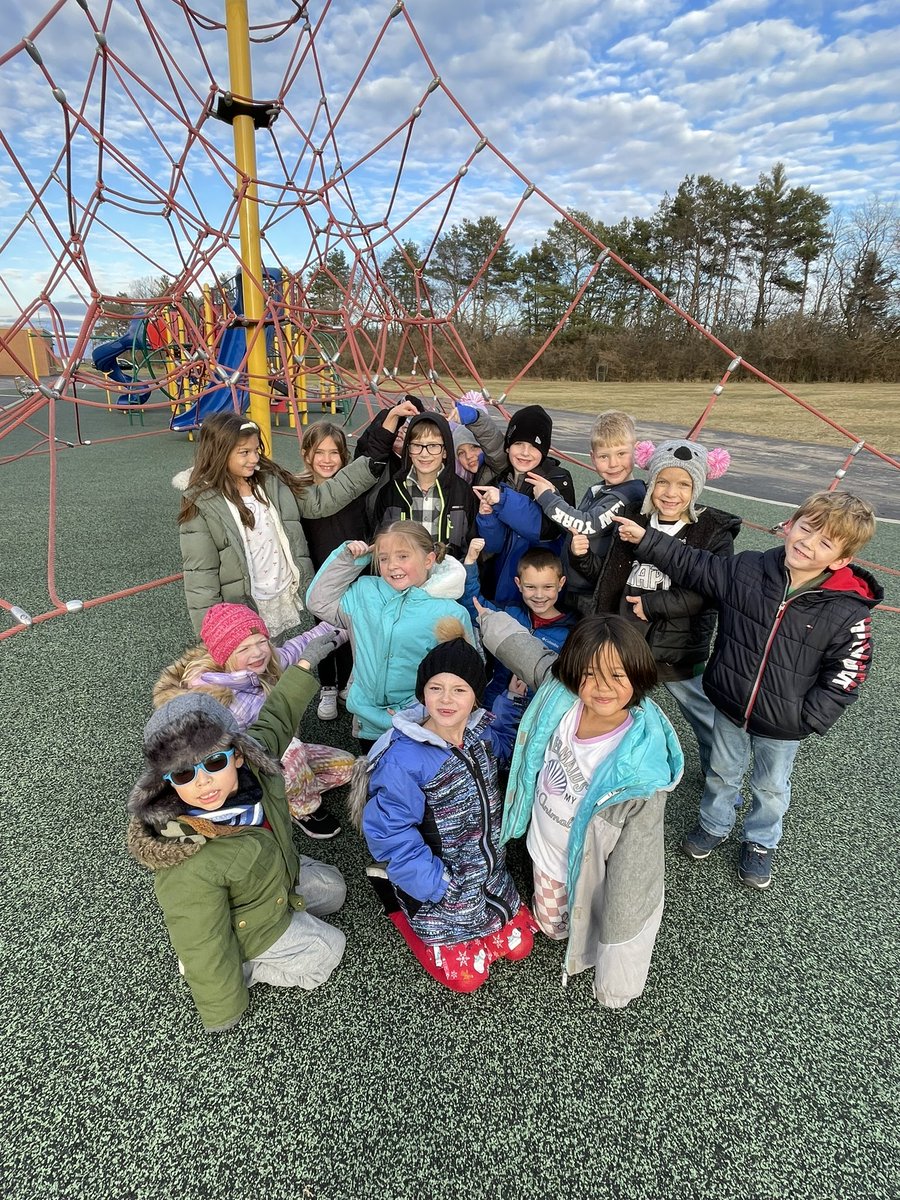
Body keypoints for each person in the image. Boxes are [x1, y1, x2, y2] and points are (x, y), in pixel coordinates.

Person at [612, 490, 881, 889]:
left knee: (771, 786)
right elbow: (695, 564)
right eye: (805, 529)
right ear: (791, 525)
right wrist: (648, 539)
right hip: (731, 701)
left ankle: (760, 841)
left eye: (824, 542)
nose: (807, 544)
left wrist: (809, 717)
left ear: (841, 560)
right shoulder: (750, 569)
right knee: (722, 770)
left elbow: (850, 670)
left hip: (784, 721)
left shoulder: (847, 608)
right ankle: (713, 823)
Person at [126, 629, 346, 1033]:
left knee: (335, 888)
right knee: (328, 952)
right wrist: (223, 1010)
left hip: (274, 881)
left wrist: (302, 666)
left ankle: (279, 923)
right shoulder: (185, 857)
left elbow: (277, 716)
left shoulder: (255, 766)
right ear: (167, 782)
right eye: (183, 774)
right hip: (249, 925)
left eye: (213, 763)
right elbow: (200, 938)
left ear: (239, 755)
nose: (203, 782)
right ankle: (249, 966)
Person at [475, 605, 683, 1008]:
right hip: (545, 845)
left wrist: (617, 983)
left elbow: (634, 877)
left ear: (639, 676)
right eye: (590, 674)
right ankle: (557, 922)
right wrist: (487, 618)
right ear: (573, 673)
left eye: (617, 676)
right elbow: (527, 653)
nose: (601, 688)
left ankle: (575, 931)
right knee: (553, 924)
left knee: (587, 907)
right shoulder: (561, 697)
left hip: (589, 859)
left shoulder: (640, 774)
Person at [355, 620, 536, 993]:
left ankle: (480, 919)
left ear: (476, 697)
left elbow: (501, 747)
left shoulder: (478, 730)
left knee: (522, 947)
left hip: (489, 872)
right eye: (435, 688)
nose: (447, 699)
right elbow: (391, 835)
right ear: (422, 693)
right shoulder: (403, 759)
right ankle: (397, 904)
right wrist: (438, 885)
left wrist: (512, 701)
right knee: (467, 981)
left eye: (459, 689)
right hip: (442, 884)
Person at [572, 438, 740, 776]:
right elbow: (609, 579)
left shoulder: (711, 533)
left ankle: (719, 777)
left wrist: (655, 605)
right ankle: (611, 766)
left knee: (703, 716)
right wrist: (583, 557)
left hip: (676, 650)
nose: (670, 492)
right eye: (662, 481)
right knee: (617, 706)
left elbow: (708, 592)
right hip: (627, 644)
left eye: (683, 484)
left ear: (697, 488)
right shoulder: (634, 518)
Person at [153, 602, 354, 838]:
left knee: (348, 767)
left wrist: (352, 624)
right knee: (293, 750)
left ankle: (285, 791)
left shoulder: (264, 664)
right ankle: (302, 809)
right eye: (244, 648)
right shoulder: (216, 701)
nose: (258, 652)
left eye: (261, 642)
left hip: (281, 750)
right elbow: (220, 760)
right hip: (249, 766)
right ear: (224, 655)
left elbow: (301, 644)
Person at [176, 411, 385, 637]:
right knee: (254, 665)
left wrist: (369, 467)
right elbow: (200, 574)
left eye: (256, 450)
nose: (254, 458)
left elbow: (319, 501)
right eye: (244, 452)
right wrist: (212, 631)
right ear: (219, 453)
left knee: (285, 660)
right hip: (244, 604)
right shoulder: (203, 503)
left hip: (282, 595)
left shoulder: (270, 482)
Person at [305, 521, 475, 750]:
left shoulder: (451, 612)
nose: (392, 565)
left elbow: (464, 677)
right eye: (383, 558)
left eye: (403, 556)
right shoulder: (364, 591)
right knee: (372, 778)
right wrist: (352, 559)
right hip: (368, 718)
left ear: (429, 560)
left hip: (419, 722)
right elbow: (318, 601)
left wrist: (421, 711)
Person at [298, 403, 419, 719]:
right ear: (306, 455)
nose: (327, 460)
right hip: (323, 573)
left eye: (334, 453)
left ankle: (349, 683)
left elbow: (373, 452)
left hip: (355, 570)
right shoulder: (299, 492)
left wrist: (390, 418)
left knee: (355, 627)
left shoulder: (352, 485)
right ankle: (327, 685)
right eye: (320, 453)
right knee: (324, 630)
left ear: (343, 457)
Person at [527, 410, 646, 615]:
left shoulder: (628, 495)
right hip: (581, 583)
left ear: (636, 450)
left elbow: (586, 524)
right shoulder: (603, 489)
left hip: (594, 593)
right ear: (592, 457)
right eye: (603, 456)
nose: (613, 463)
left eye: (621, 454)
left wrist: (547, 498)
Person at [473, 404, 576, 607]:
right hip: (505, 582)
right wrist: (487, 518)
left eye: (534, 446)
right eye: (519, 443)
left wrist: (503, 501)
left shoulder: (558, 479)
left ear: (544, 451)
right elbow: (494, 545)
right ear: (508, 446)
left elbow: (544, 529)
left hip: (542, 587)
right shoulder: (502, 480)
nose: (525, 452)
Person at [461, 539, 576, 707]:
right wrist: (470, 561)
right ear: (518, 584)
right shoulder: (509, 614)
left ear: (561, 584)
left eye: (547, 587)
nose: (539, 595)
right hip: (493, 702)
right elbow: (474, 606)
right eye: (530, 587)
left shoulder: (570, 633)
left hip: (536, 711)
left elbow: (563, 682)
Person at [372, 410, 477, 559]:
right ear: (408, 450)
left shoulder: (462, 492)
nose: (424, 453)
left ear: (445, 451)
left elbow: (469, 543)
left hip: (448, 578)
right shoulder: (391, 492)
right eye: (417, 445)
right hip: (402, 578)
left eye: (433, 446)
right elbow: (379, 543)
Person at [446, 391, 508, 485]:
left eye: (474, 447)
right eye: (461, 453)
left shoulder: (496, 469)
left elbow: (494, 446)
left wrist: (476, 419)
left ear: (484, 445)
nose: (469, 456)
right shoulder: (460, 479)